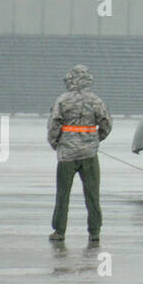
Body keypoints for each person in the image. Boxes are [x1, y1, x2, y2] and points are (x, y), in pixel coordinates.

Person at [47, 65, 112, 243]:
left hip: (67, 154)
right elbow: (106, 124)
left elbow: (54, 124)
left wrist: (55, 143)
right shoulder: (96, 101)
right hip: (90, 155)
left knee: (63, 195)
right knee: (92, 194)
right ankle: (94, 232)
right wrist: (95, 139)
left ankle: (59, 231)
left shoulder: (62, 100)